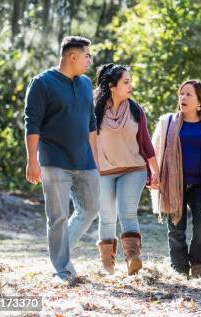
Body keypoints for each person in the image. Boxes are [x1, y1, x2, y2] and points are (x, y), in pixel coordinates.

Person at [24, 36, 99, 282]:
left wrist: (96, 158)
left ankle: (61, 251)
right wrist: (32, 161)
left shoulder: (86, 83)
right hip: (53, 160)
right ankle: (62, 269)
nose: (90, 60)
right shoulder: (42, 83)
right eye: (87, 55)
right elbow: (32, 123)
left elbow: (91, 122)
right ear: (72, 57)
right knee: (57, 217)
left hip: (85, 161)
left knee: (90, 209)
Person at [93, 63, 160, 275]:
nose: (130, 86)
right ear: (112, 86)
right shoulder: (95, 110)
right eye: (126, 82)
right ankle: (107, 265)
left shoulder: (135, 109)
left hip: (134, 169)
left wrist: (155, 170)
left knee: (127, 212)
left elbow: (146, 142)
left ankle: (133, 258)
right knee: (107, 216)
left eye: (130, 81)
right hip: (103, 171)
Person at [151, 80, 201, 278]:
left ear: (200, 102)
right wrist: (154, 174)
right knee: (176, 227)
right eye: (181, 94)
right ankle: (180, 266)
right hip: (174, 184)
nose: (183, 97)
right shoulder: (168, 123)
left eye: (189, 94)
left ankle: (198, 262)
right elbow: (155, 149)